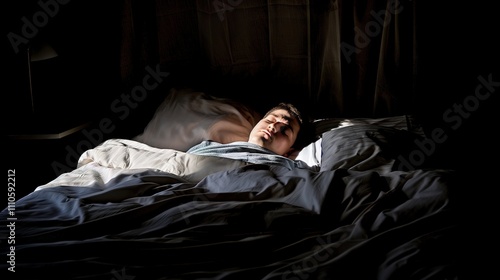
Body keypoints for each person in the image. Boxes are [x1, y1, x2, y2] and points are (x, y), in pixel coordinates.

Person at [187, 103, 317, 170]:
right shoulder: (207, 148)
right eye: (270, 120)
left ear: (288, 152)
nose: (273, 127)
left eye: (284, 131)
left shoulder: (289, 169)